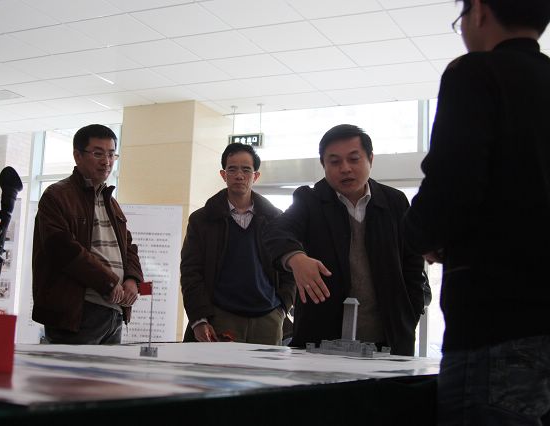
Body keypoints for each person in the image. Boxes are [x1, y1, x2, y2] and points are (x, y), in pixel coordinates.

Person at [402, 0, 550, 424]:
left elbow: (454, 183)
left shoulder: (475, 73)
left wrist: (423, 236)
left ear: (480, 11)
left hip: (497, 318)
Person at [263, 124, 428, 355]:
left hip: (388, 339)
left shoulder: (395, 202)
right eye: (334, 162)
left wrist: (410, 313)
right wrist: (295, 258)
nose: (345, 169)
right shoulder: (310, 201)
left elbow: (413, 263)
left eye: (354, 159)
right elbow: (276, 231)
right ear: (323, 165)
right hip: (322, 341)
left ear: (370, 159)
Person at [32, 124, 144, 345]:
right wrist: (108, 282)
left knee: (107, 370)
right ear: (77, 156)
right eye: (98, 153)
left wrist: (133, 279)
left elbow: (128, 247)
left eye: (111, 154)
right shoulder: (57, 195)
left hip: (114, 310)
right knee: (73, 369)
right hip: (77, 312)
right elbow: (63, 249)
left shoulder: (110, 201)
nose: (106, 161)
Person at [181, 143, 295, 345]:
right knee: (217, 367)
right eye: (232, 169)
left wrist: (283, 307)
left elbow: (290, 267)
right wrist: (199, 318)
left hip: (268, 319)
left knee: (265, 367)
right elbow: (191, 272)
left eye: (246, 170)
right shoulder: (202, 220)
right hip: (220, 316)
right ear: (223, 175)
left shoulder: (276, 219)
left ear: (255, 176)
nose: (239, 176)